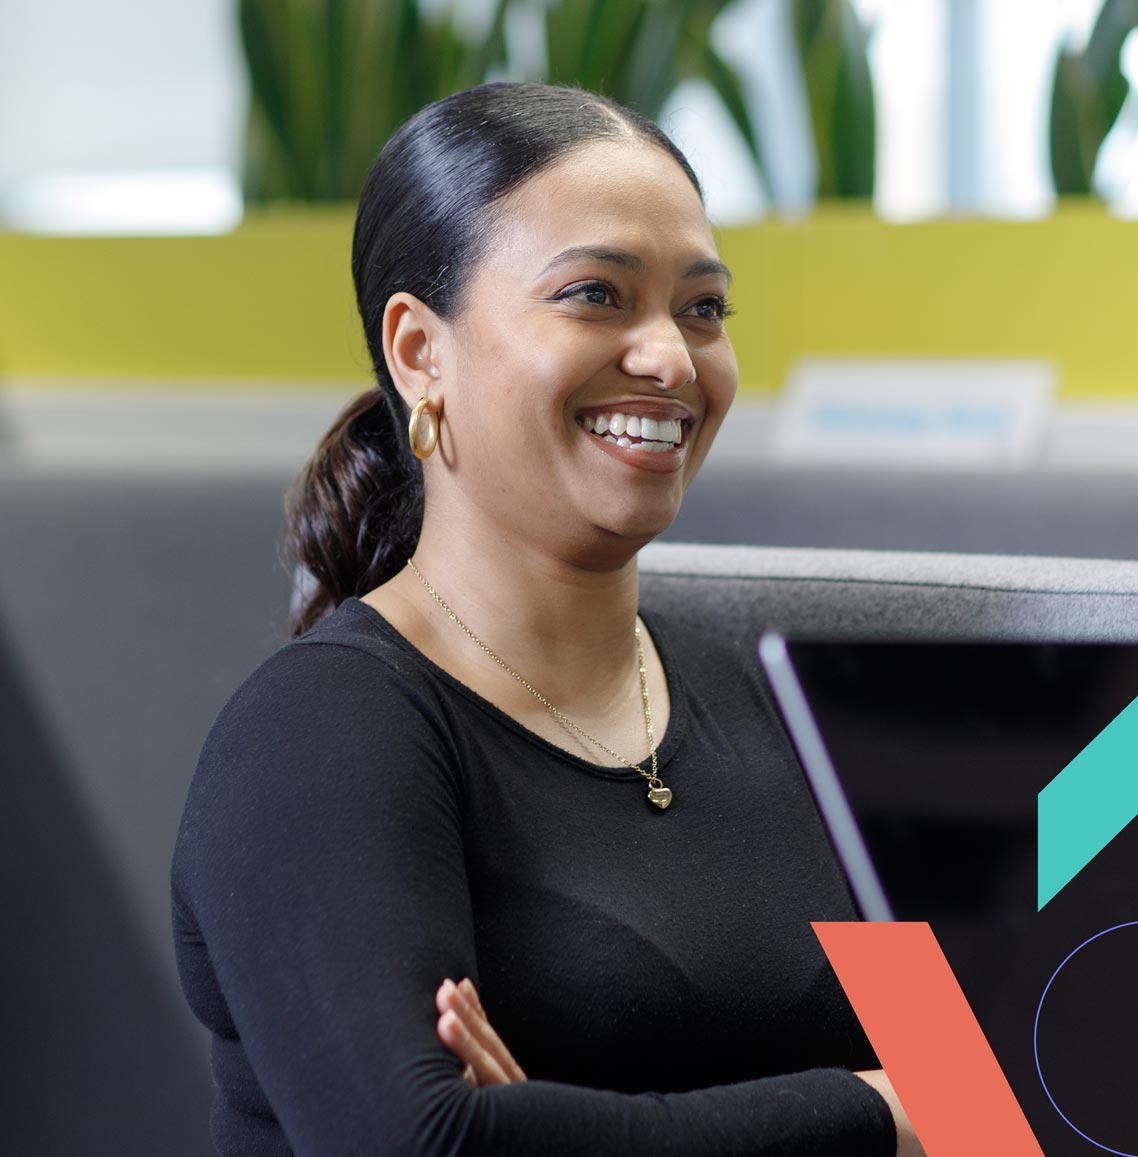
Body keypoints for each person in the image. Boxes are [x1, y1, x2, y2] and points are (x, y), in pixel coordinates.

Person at [171, 80, 922, 1157]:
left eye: (701, 307)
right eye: (595, 294)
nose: (670, 356)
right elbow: (426, 1141)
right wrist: (878, 1108)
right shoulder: (321, 731)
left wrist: (565, 1124)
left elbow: (991, 1079)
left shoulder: (772, 701)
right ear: (421, 352)